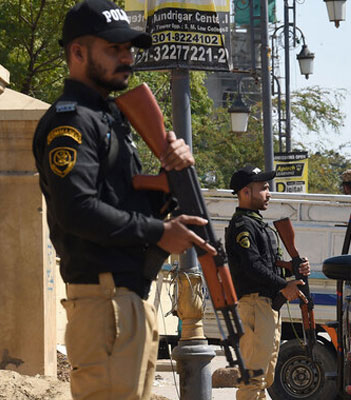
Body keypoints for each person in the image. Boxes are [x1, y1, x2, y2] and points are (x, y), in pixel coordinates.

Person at [32, 1, 216, 398]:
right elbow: (75, 209)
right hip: (105, 307)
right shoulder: (72, 121)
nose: (127, 57)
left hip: (124, 301)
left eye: (130, 49)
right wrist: (159, 231)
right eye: (113, 49)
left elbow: (127, 206)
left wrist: (172, 184)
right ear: (77, 53)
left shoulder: (108, 118)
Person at [225, 166, 310, 400]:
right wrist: (284, 285)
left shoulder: (257, 224)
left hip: (266, 307)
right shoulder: (242, 226)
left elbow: (268, 262)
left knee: (265, 377)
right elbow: (252, 266)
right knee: (253, 377)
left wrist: (294, 267)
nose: (268, 192)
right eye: (262, 188)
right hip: (254, 306)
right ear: (245, 192)